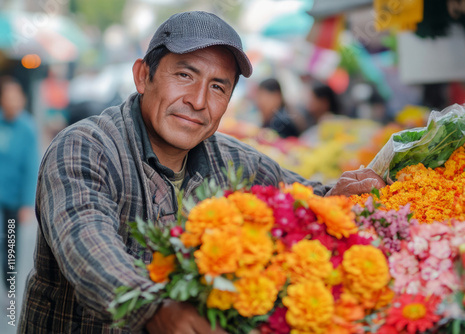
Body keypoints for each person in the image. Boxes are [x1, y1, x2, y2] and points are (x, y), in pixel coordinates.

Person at [19, 11, 385, 334]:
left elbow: (306, 197)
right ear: (143, 76)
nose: (198, 100)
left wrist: (342, 195)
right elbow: (86, 243)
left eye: (218, 87)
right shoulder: (86, 146)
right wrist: (152, 307)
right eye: (184, 74)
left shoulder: (236, 162)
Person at [0, 76, 38, 291]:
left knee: (10, 244)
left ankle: (9, 284)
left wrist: (26, 203)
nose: (12, 100)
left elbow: (31, 168)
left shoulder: (27, 128)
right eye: (8, 96)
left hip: (14, 200)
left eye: (16, 96)